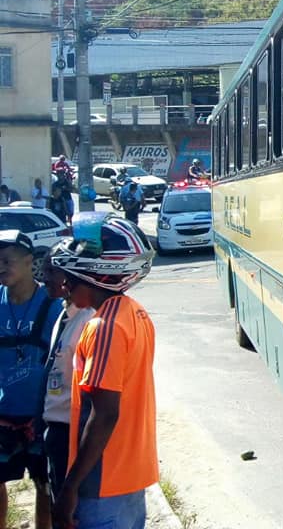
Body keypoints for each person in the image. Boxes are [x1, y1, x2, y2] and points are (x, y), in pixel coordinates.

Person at [49, 213, 156, 529]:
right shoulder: (135, 313)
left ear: (99, 276)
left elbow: (105, 414)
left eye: (72, 277)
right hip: (131, 476)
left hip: (103, 483)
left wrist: (69, 488)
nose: (65, 285)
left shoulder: (102, 328)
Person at [0, 230, 59, 529]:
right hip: (2, 414)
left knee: (44, 485)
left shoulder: (52, 306)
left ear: (28, 261)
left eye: (7, 260)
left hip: (41, 416)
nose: (0, 267)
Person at [41, 257, 95, 507]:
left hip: (72, 432)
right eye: (44, 270)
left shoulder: (87, 320)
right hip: (55, 428)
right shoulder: (64, 314)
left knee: (71, 511)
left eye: (52, 271)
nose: (45, 278)